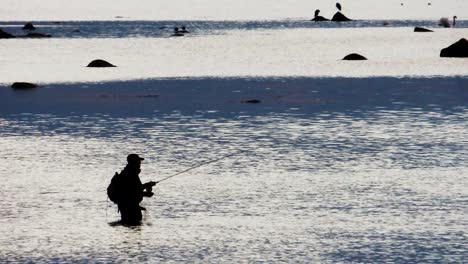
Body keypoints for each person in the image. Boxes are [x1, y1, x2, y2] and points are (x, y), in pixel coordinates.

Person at [116, 154, 156, 225]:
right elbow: (131, 191)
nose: (140, 163)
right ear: (133, 162)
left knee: (129, 226)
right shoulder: (130, 174)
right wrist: (146, 190)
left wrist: (146, 188)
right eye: (138, 161)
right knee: (133, 225)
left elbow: (134, 189)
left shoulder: (129, 172)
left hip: (129, 206)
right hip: (130, 208)